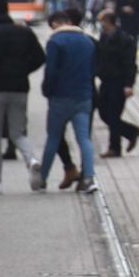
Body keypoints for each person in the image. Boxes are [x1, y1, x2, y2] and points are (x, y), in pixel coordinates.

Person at [0, 0, 45, 193]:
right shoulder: (24, 32)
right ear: (8, 9)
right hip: (19, 87)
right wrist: (23, 70)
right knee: (17, 133)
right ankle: (31, 158)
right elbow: (40, 57)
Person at [35, 10, 98, 192]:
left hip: (60, 98)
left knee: (53, 138)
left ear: (56, 24)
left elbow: (51, 71)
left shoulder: (56, 42)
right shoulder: (87, 42)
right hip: (83, 96)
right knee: (84, 139)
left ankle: (43, 178)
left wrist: (47, 90)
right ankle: (88, 178)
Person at [96, 11, 139, 158]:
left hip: (119, 82)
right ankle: (131, 132)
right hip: (106, 81)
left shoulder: (125, 40)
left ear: (109, 22)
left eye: (102, 21)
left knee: (114, 115)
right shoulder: (103, 37)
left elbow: (130, 64)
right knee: (103, 113)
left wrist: (129, 84)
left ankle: (114, 148)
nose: (100, 24)